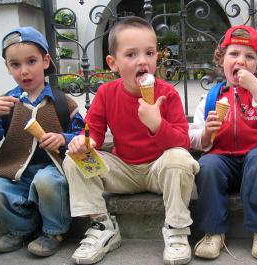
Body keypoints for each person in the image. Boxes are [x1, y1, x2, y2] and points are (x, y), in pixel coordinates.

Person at [63, 16, 199, 265]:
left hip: (159, 170)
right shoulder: (106, 93)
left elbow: (183, 142)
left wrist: (157, 124)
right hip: (123, 171)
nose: (142, 61)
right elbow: (93, 131)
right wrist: (86, 143)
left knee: (179, 159)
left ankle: (176, 229)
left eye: (149, 53)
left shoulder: (167, 94)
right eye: (131, 55)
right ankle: (102, 227)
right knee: (74, 159)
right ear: (113, 63)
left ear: (157, 56)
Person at [0, 26, 84, 256]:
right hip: (18, 175)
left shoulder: (61, 102)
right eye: (15, 65)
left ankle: (54, 230)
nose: (24, 71)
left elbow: (82, 135)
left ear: (46, 61)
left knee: (46, 180)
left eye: (32, 61)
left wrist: (63, 139)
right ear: (8, 67)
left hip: (53, 170)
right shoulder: (6, 104)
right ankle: (22, 228)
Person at [189, 25, 257, 260]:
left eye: (249, 57)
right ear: (222, 59)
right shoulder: (210, 98)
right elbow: (194, 137)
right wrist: (205, 135)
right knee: (208, 164)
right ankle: (214, 231)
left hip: (255, 163)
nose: (241, 61)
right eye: (234, 54)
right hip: (222, 161)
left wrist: (256, 89)